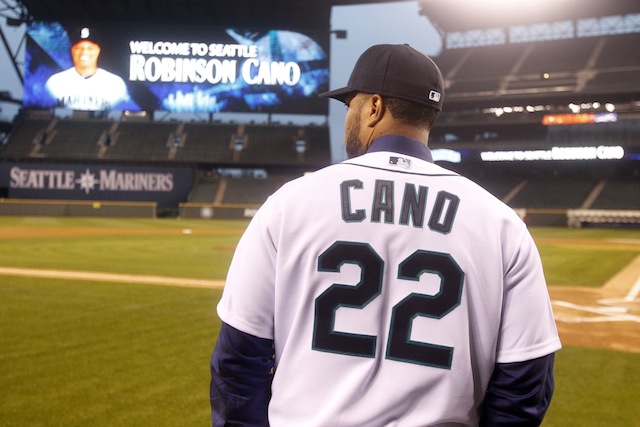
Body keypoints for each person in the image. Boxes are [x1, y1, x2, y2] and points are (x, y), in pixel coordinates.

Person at [210, 43, 561, 426]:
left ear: (374, 107)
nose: (349, 117)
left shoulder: (289, 205)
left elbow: (239, 363)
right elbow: (525, 381)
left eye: (352, 105)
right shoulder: (501, 224)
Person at [45, 26, 129, 111]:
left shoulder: (116, 84)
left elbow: (119, 116)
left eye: (90, 48)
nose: (84, 52)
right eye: (79, 48)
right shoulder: (55, 82)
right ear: (72, 50)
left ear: (98, 50)